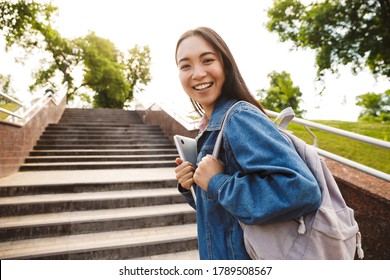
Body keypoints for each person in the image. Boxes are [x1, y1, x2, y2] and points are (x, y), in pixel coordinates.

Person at [174, 26, 321, 260]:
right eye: (186, 65)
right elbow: (224, 216)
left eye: (207, 60)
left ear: (225, 65)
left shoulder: (239, 117)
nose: (198, 73)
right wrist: (192, 185)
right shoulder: (213, 128)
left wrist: (217, 182)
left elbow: (302, 190)